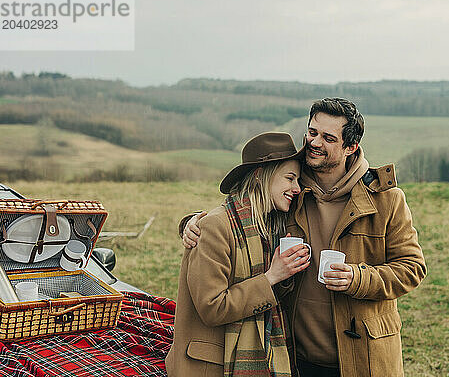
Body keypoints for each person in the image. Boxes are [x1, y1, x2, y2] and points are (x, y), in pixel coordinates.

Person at [182, 98, 427, 377]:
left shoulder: (387, 200)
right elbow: (241, 212)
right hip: (293, 356)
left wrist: (356, 278)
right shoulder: (291, 192)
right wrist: (192, 224)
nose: (315, 142)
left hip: (364, 358)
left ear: (351, 147)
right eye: (312, 132)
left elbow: (412, 268)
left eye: (328, 138)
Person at [166, 132, 311, 377]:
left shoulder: (268, 227)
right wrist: (271, 277)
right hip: (210, 367)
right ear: (260, 177)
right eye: (289, 178)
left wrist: (285, 273)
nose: (296, 188)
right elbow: (213, 307)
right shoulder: (215, 226)